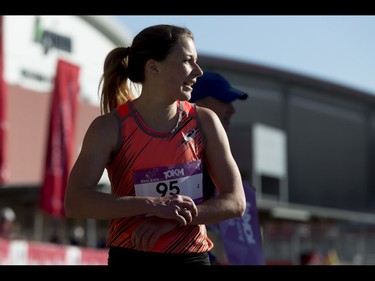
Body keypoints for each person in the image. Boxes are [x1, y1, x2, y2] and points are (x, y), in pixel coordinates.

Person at [64, 24, 246, 267]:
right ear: (153, 67)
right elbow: (75, 201)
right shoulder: (109, 127)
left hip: (191, 257)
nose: (198, 71)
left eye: (197, 61)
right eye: (187, 61)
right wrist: (154, 205)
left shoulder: (205, 121)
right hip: (132, 255)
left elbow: (236, 202)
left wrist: (173, 218)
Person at [190, 72, 248, 264]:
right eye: (224, 100)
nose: (232, 109)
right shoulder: (178, 149)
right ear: (201, 103)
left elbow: (236, 204)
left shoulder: (212, 150)